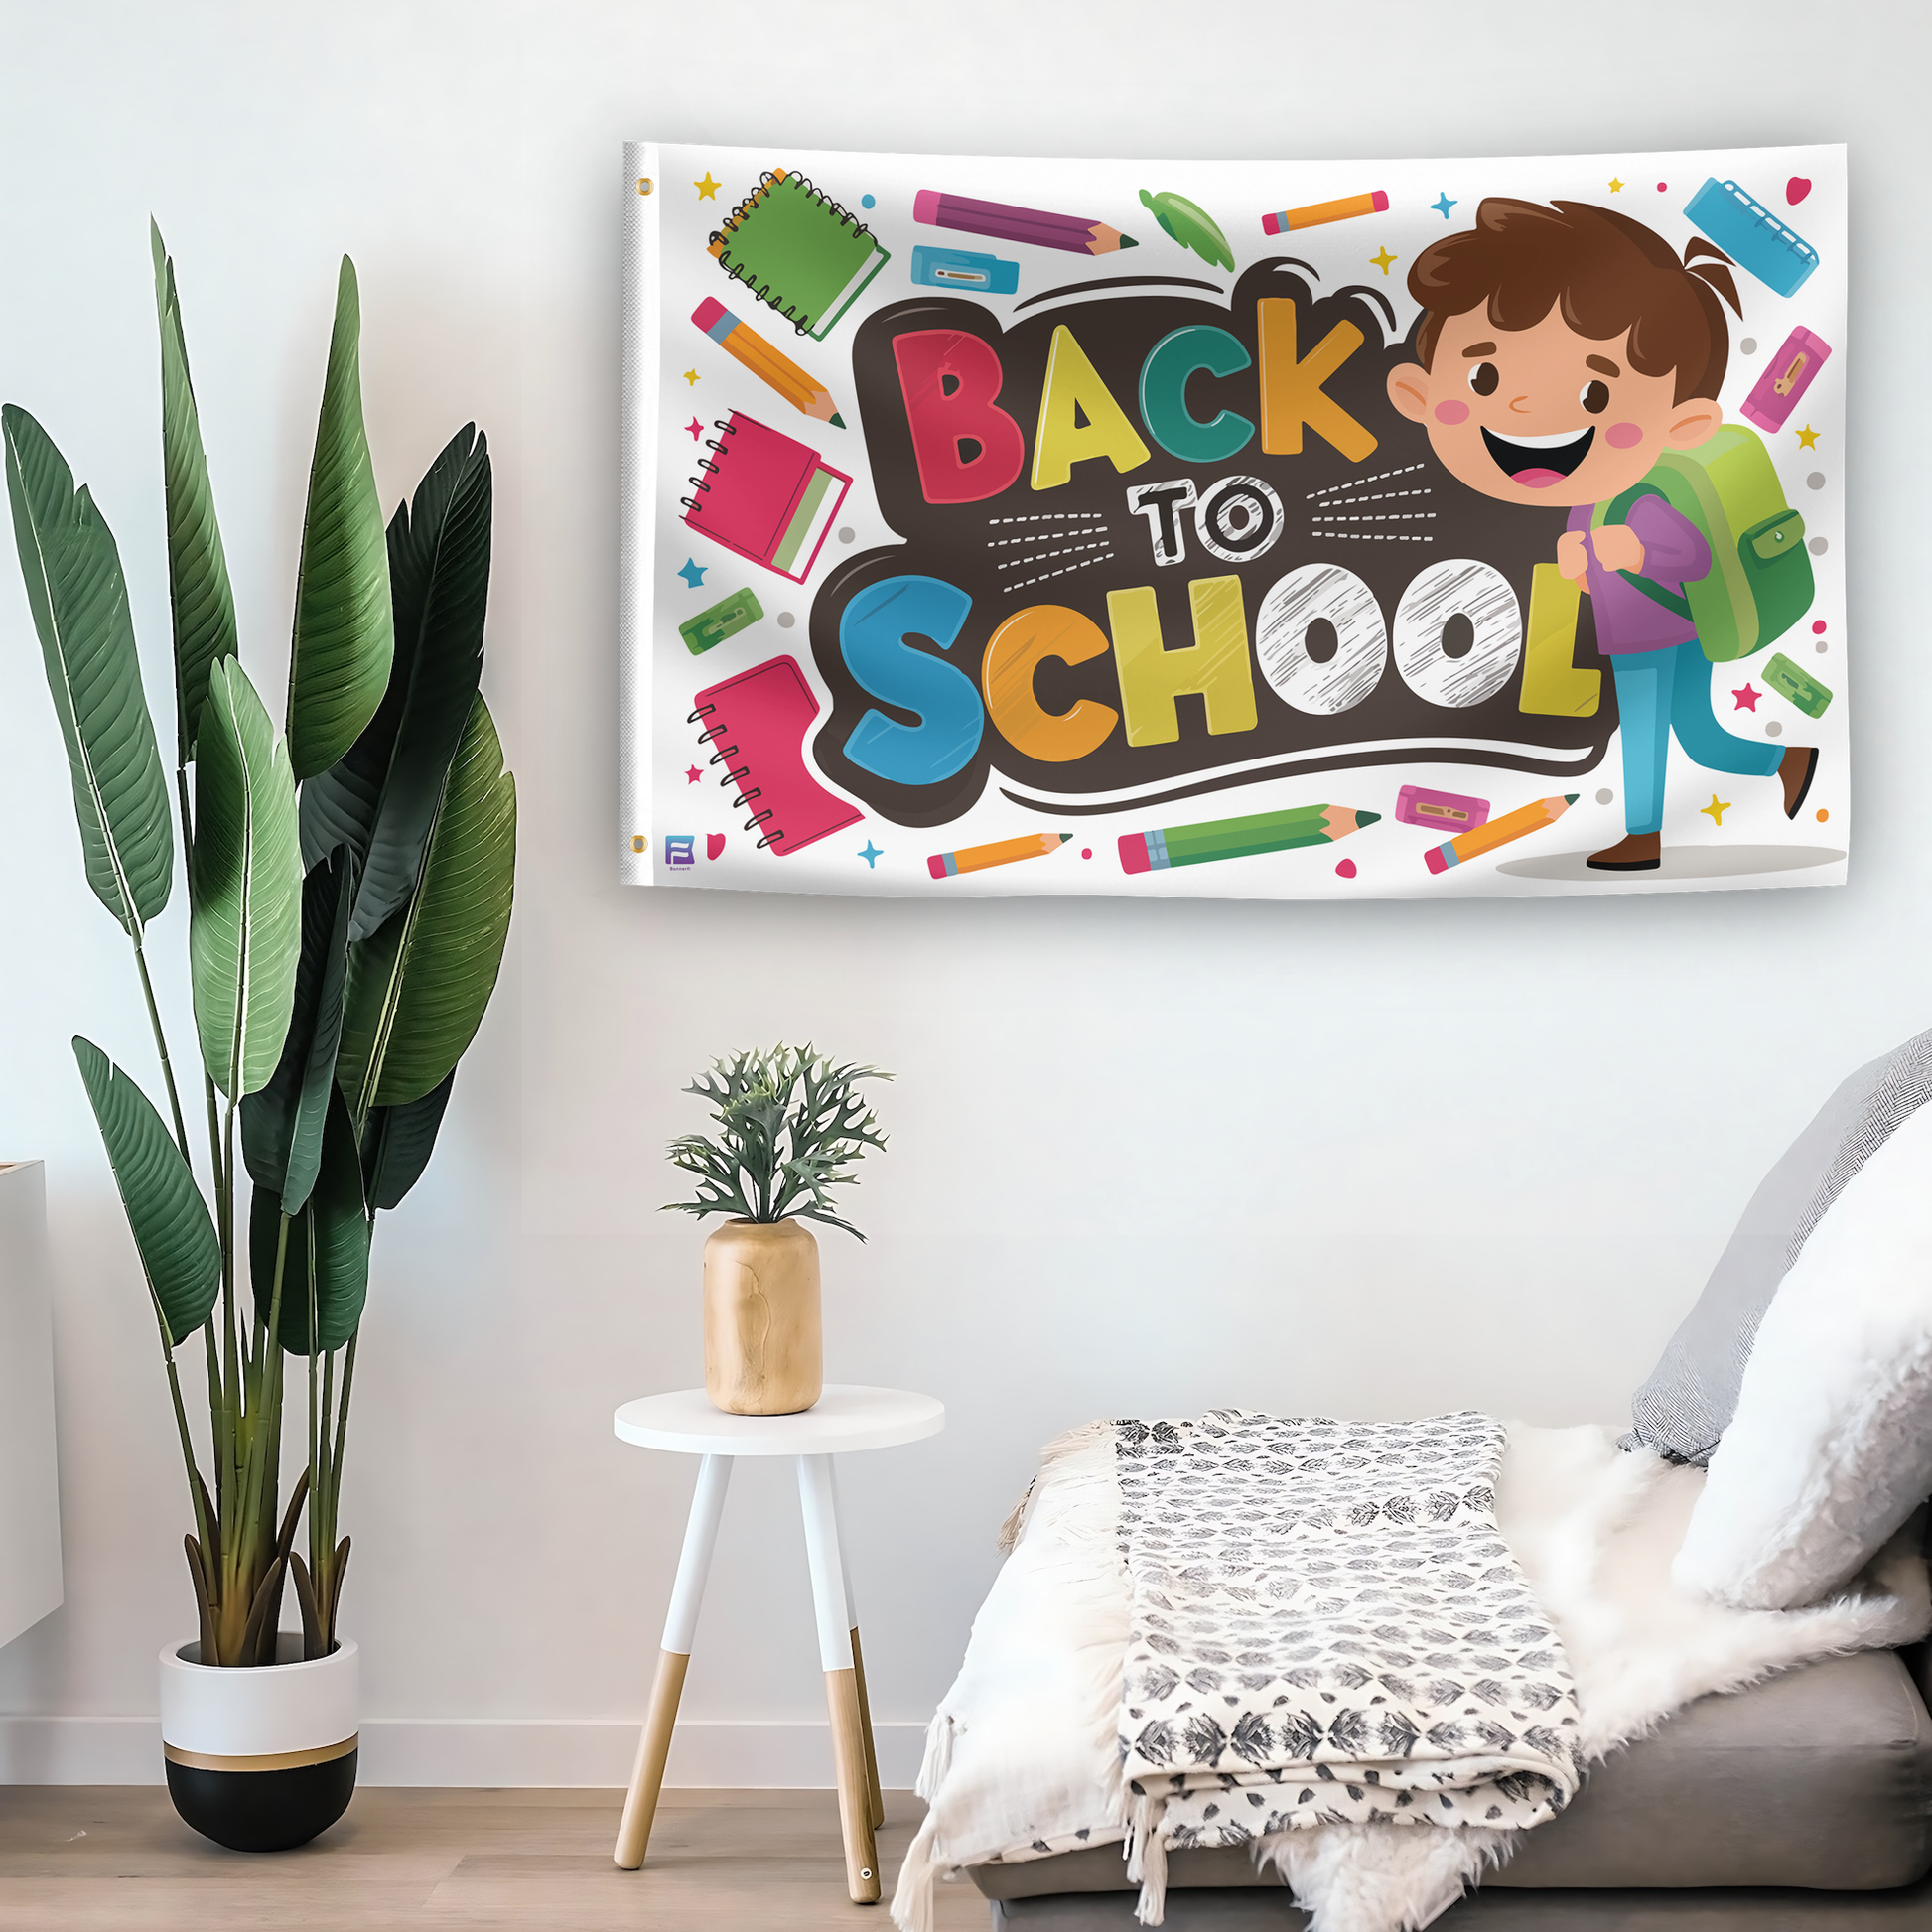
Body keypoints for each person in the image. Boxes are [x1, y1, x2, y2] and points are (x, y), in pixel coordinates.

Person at [1385, 198, 1817, 870]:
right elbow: (1595, 544)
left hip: (1660, 629)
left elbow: (1689, 551)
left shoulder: (1640, 490)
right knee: (1698, 735)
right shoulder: (1594, 492)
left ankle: (1643, 836)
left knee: (1649, 732)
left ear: (1684, 424)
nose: (1525, 409)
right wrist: (1581, 557)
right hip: (1649, 627)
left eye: (1594, 396)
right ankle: (1789, 758)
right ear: (1416, 392)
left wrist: (1636, 549)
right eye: (1486, 377)